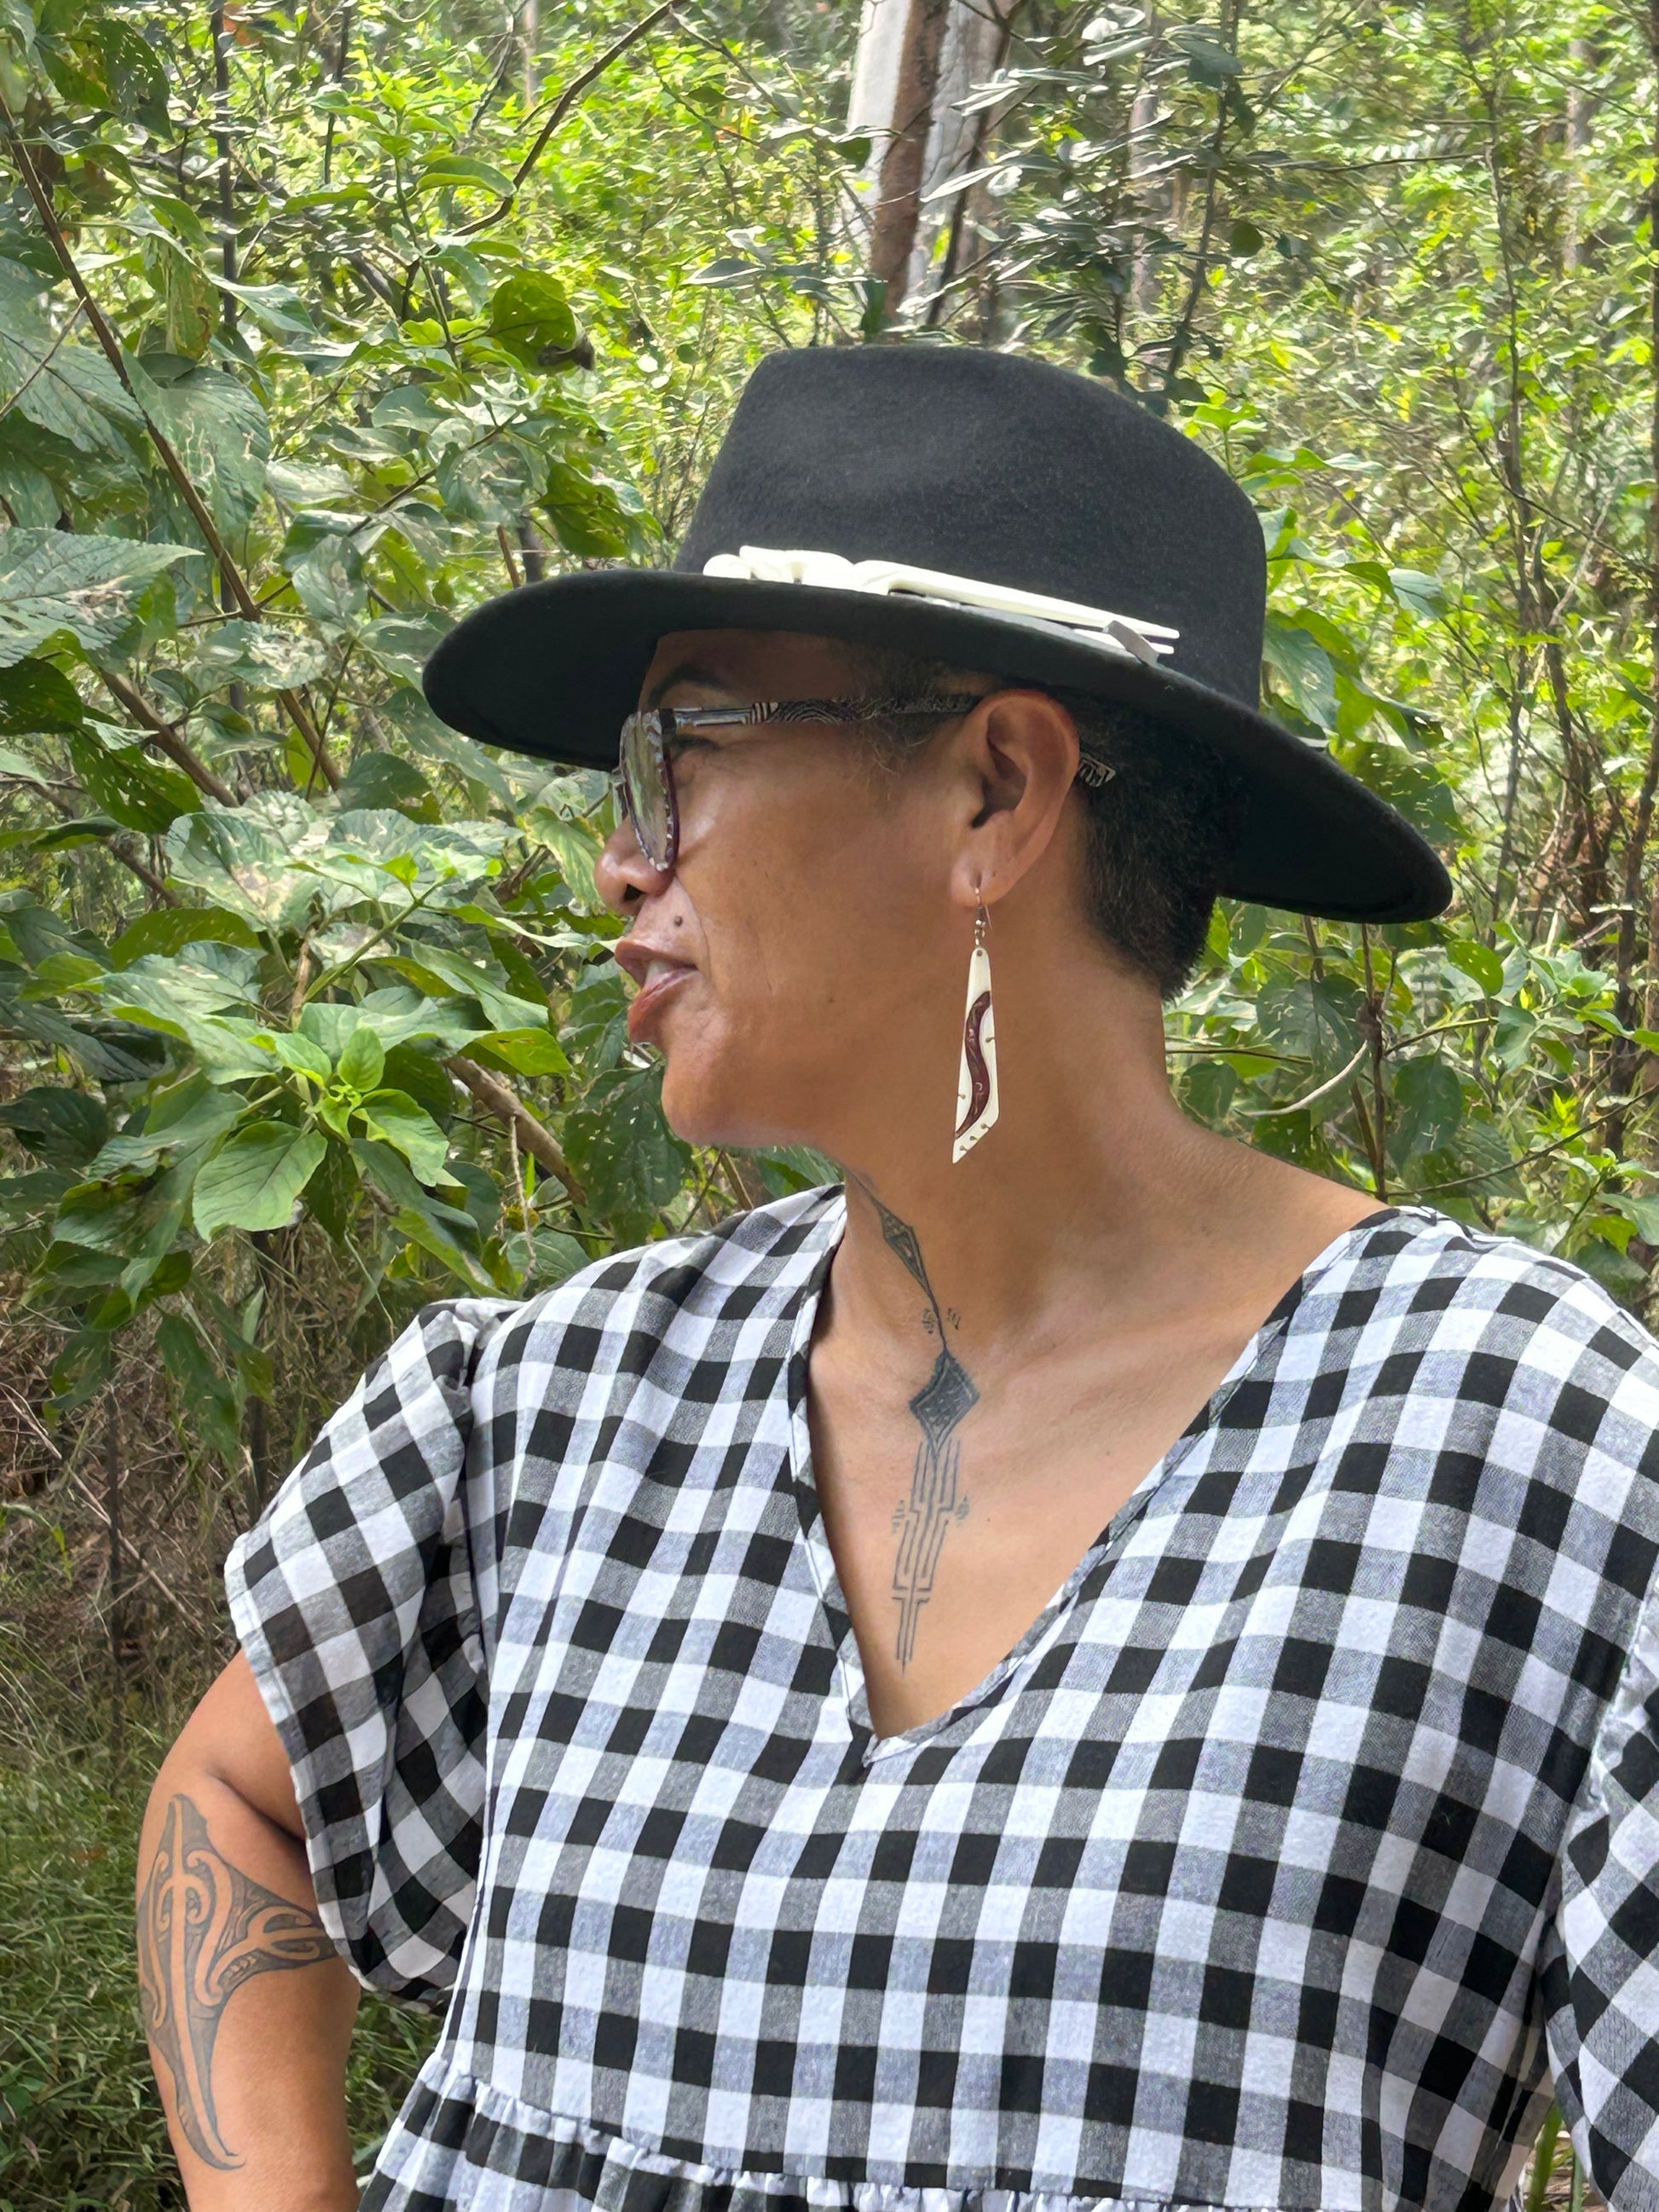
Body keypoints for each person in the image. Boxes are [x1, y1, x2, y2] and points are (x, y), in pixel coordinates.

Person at [137, 346, 1659, 2212]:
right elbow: (239, 1795)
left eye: (677, 751)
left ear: (992, 794)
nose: (617, 863)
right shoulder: (550, 1407)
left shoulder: (1527, 1454)